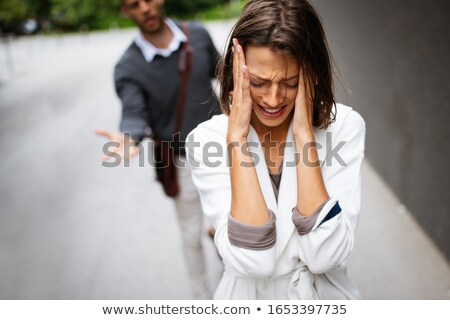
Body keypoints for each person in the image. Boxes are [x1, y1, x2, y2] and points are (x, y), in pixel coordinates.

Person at [186, 0, 366, 299]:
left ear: (312, 73)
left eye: (290, 82)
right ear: (237, 71)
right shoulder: (208, 139)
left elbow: (326, 255)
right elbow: (251, 261)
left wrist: (305, 135)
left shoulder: (344, 126)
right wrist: (237, 142)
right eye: (258, 82)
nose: (273, 99)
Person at [96, 0, 221, 299]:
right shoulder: (128, 67)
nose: (145, 9)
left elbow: (225, 75)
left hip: (224, 152)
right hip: (180, 163)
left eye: (148, 0)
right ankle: (202, 300)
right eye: (133, 4)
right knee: (191, 234)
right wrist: (129, 137)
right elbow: (134, 113)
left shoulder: (199, 35)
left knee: (232, 222)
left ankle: (233, 265)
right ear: (125, 12)